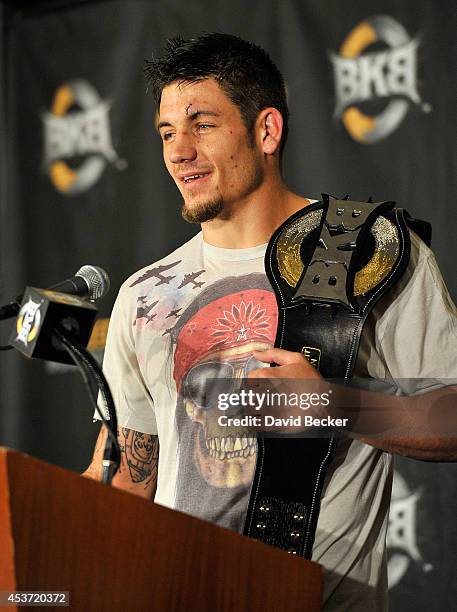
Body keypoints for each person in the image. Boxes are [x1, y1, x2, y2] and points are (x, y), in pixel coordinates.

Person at [84, 33, 457, 610]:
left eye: (201, 124)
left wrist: (335, 405)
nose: (177, 151)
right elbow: (130, 479)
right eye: (166, 133)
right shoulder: (144, 294)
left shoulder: (369, 250)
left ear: (266, 131)